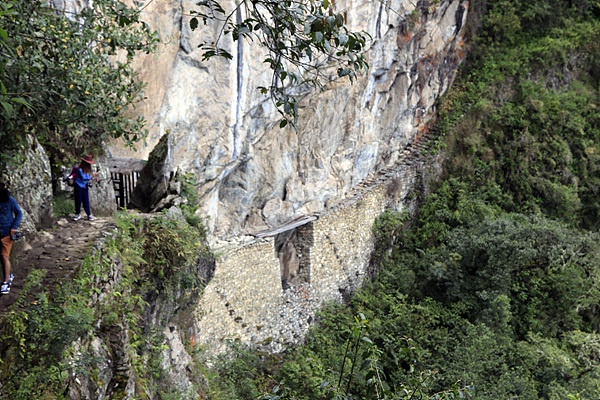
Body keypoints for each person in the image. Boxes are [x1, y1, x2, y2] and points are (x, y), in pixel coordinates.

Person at [0, 182, 23, 295]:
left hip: (6, 233)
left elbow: (19, 213)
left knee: (4, 256)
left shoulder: (9, 199)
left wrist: (14, 227)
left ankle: (6, 281)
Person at [72, 154, 99, 221]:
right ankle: (77, 214)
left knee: (86, 200)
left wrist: (93, 178)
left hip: (84, 186)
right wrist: (92, 176)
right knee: (78, 200)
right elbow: (83, 178)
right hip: (78, 186)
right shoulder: (79, 169)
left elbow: (86, 178)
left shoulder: (86, 170)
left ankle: (89, 214)